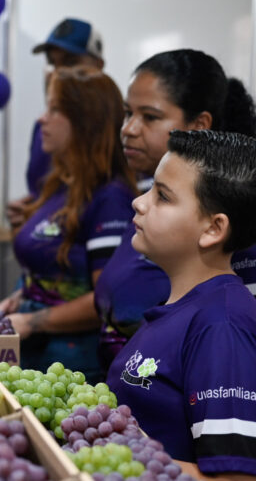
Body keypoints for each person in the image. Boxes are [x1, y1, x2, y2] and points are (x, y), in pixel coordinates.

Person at [95, 49, 256, 372]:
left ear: (199, 125)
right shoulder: (145, 197)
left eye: (150, 117)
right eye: (128, 113)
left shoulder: (231, 236)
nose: (128, 129)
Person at [107, 130, 256, 479]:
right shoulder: (183, 307)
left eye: (162, 196)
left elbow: (237, 478)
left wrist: (115, 461)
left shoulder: (222, 326)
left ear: (212, 229)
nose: (139, 202)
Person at [0, 66, 136, 383]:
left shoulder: (109, 198)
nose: (42, 119)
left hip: (71, 367)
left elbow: (107, 300)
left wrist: (34, 321)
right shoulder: (61, 183)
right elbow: (56, 267)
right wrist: (26, 293)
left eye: (55, 110)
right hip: (39, 355)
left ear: (86, 122)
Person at [7, 17, 105, 230]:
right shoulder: (43, 127)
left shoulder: (119, 131)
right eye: (52, 62)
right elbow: (49, 193)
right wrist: (32, 209)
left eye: (70, 62)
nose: (57, 72)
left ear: (98, 66)